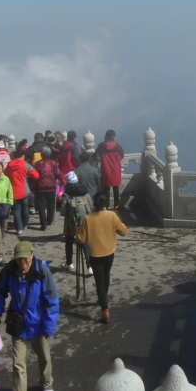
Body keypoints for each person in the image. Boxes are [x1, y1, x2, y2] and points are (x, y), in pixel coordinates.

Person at [0, 241, 59, 391]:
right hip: (19, 326)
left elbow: (52, 301)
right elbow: (0, 292)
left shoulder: (42, 271)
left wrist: (49, 327)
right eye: (19, 258)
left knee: (44, 356)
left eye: (25, 258)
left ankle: (46, 383)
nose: (22, 262)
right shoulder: (10, 271)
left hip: (38, 325)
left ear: (32, 255)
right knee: (18, 365)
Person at [76, 193, 128, 323]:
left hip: (95, 254)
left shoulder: (88, 218)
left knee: (99, 280)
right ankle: (104, 297)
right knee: (106, 274)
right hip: (109, 252)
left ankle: (105, 309)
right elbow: (124, 231)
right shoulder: (111, 215)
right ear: (106, 203)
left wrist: (77, 230)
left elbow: (81, 239)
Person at [27, 146, 60, 232]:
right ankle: (49, 220)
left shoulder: (38, 164)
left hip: (40, 187)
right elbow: (58, 174)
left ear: (42, 155)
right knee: (51, 204)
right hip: (51, 187)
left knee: (41, 206)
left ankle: (43, 224)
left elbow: (34, 176)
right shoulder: (53, 163)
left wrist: (32, 186)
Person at [5, 149, 32, 235]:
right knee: (25, 208)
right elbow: (36, 175)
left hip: (13, 191)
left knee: (16, 210)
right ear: (23, 156)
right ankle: (25, 224)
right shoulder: (25, 165)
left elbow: (5, 175)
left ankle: (19, 228)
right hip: (24, 190)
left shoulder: (9, 165)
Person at [96, 129, 125, 209]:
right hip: (116, 169)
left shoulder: (101, 146)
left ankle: (107, 205)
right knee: (116, 187)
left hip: (105, 169)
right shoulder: (117, 146)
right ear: (113, 137)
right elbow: (122, 155)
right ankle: (116, 204)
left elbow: (95, 155)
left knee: (106, 188)